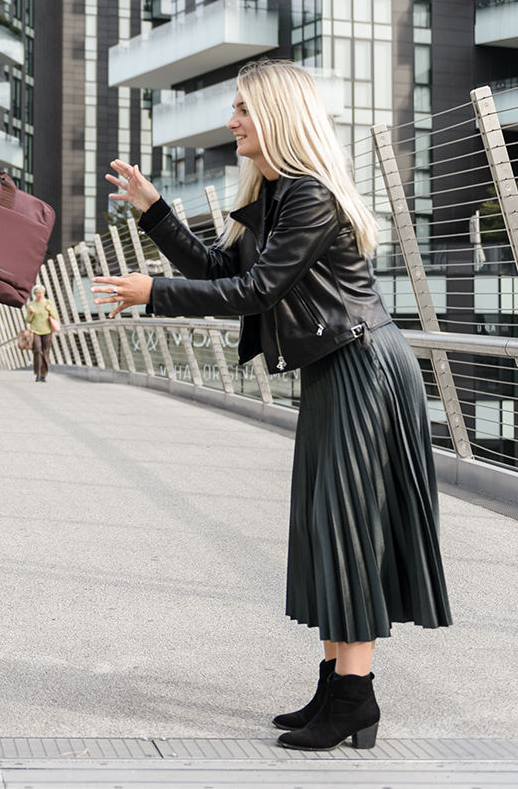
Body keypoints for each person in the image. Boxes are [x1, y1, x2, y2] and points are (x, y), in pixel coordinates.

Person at [96, 59, 451, 751]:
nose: (231, 121)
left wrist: (153, 293)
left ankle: (355, 697)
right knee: (326, 527)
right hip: (334, 367)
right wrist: (155, 210)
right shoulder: (278, 194)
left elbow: (257, 292)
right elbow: (220, 269)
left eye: (243, 109)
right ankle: (337, 688)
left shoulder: (310, 197)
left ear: (278, 117)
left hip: (362, 368)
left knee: (348, 527)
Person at [24, 284, 56, 382]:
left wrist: (50, 310)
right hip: (35, 330)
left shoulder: (48, 303)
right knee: (37, 351)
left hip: (47, 331)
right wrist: (31, 313)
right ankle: (37, 373)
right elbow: (28, 320)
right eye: (38, 293)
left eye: (42, 293)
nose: (40, 295)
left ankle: (43, 374)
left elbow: (55, 316)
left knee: (46, 352)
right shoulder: (31, 305)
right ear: (35, 294)